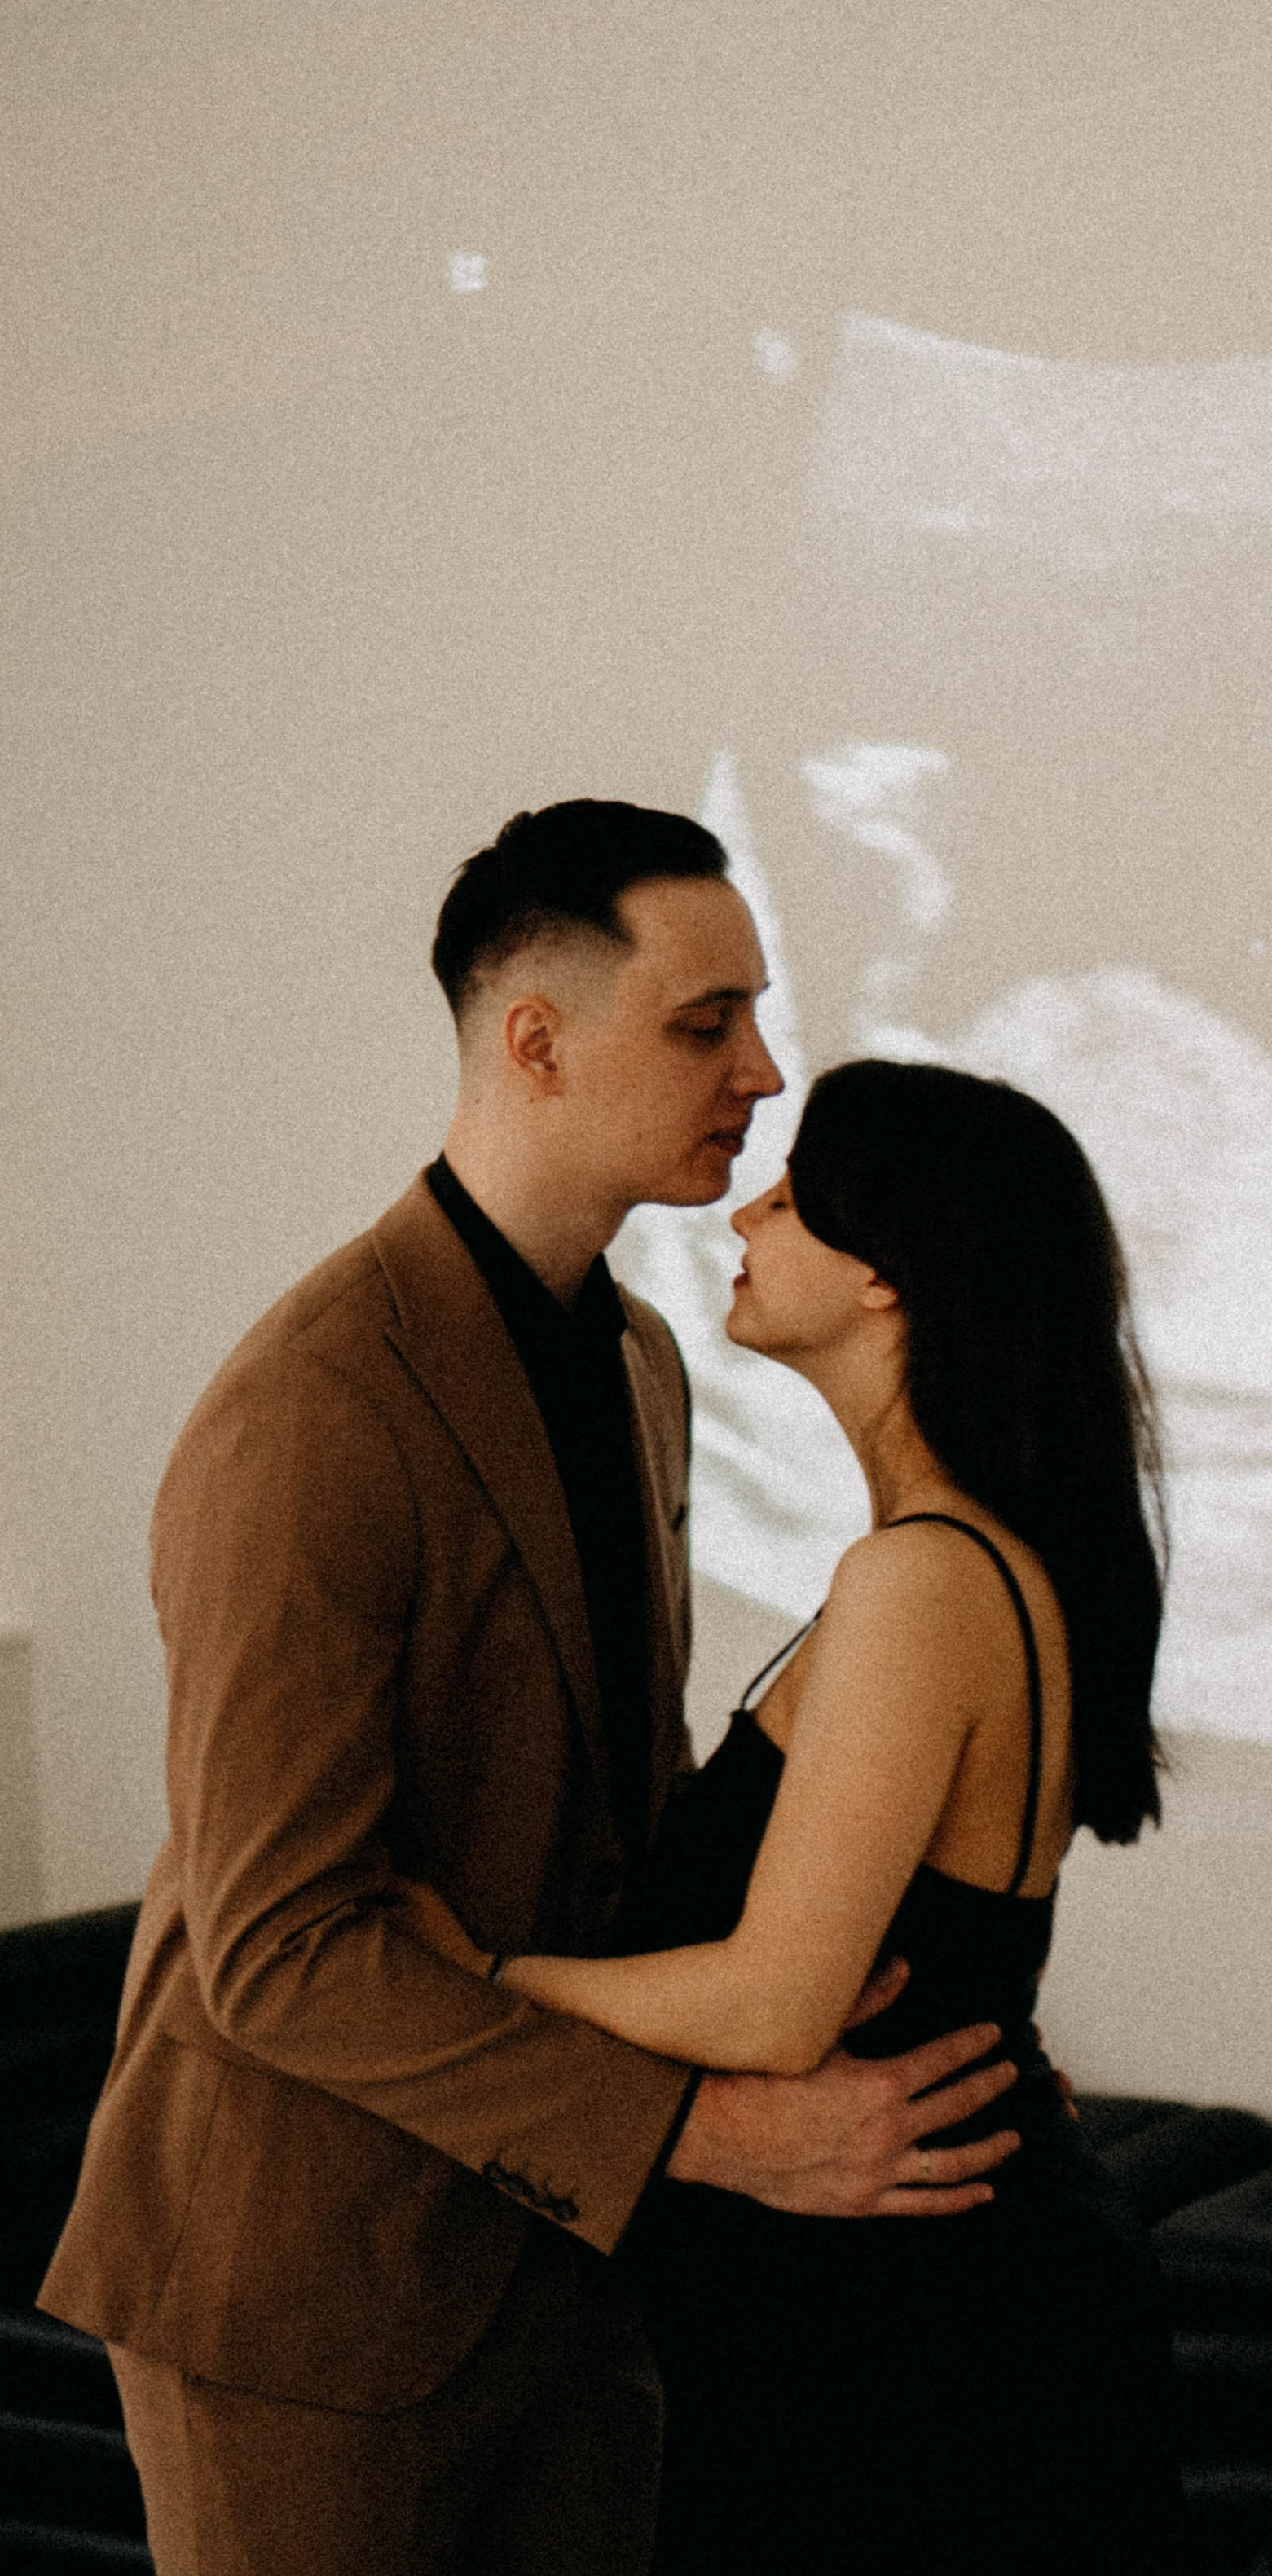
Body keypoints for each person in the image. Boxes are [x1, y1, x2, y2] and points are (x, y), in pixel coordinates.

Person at [41, 802, 1027, 2576]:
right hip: (307, 2294)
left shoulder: (645, 1361)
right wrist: (709, 2137)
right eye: (703, 1022)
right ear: (535, 1043)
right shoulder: (312, 1411)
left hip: (569, 2284)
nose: (762, 1069)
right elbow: (278, 1951)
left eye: (755, 1017)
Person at [395, 1054, 1187, 2574]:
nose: (752, 1206)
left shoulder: (922, 1581)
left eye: (800, 1191)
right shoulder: (952, 1564)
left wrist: (474, 1982)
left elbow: (773, 2005)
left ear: (892, 1278)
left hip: (919, 2347)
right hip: (911, 2314)